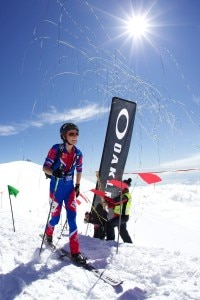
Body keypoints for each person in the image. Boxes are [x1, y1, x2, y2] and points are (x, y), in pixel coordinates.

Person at [43, 122, 86, 263]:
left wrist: (78, 185)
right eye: (71, 134)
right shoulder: (56, 149)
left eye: (77, 133)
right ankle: (48, 233)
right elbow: (45, 167)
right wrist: (54, 171)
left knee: (72, 219)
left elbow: (79, 170)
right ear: (64, 136)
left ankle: (75, 251)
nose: (75, 136)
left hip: (69, 190)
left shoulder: (78, 154)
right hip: (55, 188)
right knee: (55, 218)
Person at [104, 178, 133, 243]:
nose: (120, 188)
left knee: (109, 224)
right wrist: (109, 204)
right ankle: (129, 243)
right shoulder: (122, 195)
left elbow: (116, 201)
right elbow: (117, 205)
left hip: (122, 217)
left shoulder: (125, 196)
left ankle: (110, 241)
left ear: (125, 187)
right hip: (120, 216)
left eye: (122, 187)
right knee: (122, 231)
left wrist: (106, 198)